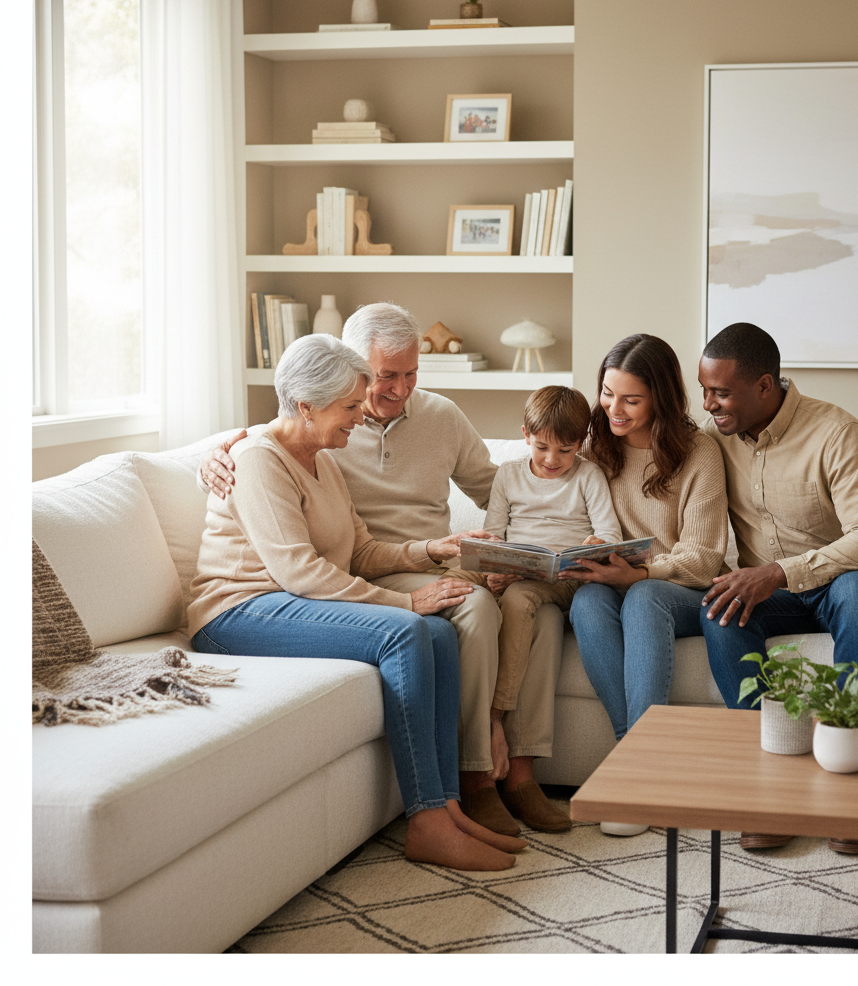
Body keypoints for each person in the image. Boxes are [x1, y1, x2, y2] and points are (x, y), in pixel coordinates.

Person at [199, 303, 566, 838]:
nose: (397, 390)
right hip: (307, 591)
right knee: (448, 618)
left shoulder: (342, 446)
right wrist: (215, 452)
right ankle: (461, 789)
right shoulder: (299, 440)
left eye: (410, 373)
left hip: (391, 565)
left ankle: (484, 790)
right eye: (382, 378)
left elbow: (490, 496)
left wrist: (481, 549)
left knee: (517, 613)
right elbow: (292, 543)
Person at [698, 322, 858, 855]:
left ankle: (857, 795)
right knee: (719, 608)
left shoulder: (837, 432)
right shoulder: (713, 440)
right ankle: (768, 790)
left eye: (720, 392)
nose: (709, 404)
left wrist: (779, 571)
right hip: (779, 600)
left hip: (854, 587)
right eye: (704, 390)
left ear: (765, 386)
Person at [567, 334, 729, 836]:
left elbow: (704, 558)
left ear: (660, 396)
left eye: (631, 399)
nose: (614, 408)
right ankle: (638, 769)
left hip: (677, 588)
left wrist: (641, 572)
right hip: (615, 581)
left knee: (643, 594)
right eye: (607, 393)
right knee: (588, 599)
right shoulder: (594, 449)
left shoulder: (699, 450)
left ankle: (632, 775)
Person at [481, 385, 622, 833]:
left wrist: (595, 546)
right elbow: (491, 536)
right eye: (542, 447)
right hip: (521, 577)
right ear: (525, 435)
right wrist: (495, 568)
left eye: (565, 449)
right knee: (525, 606)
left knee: (525, 599)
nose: (551, 459)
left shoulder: (588, 476)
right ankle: (523, 784)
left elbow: (609, 534)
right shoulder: (507, 475)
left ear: (580, 442)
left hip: (564, 581)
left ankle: (493, 720)